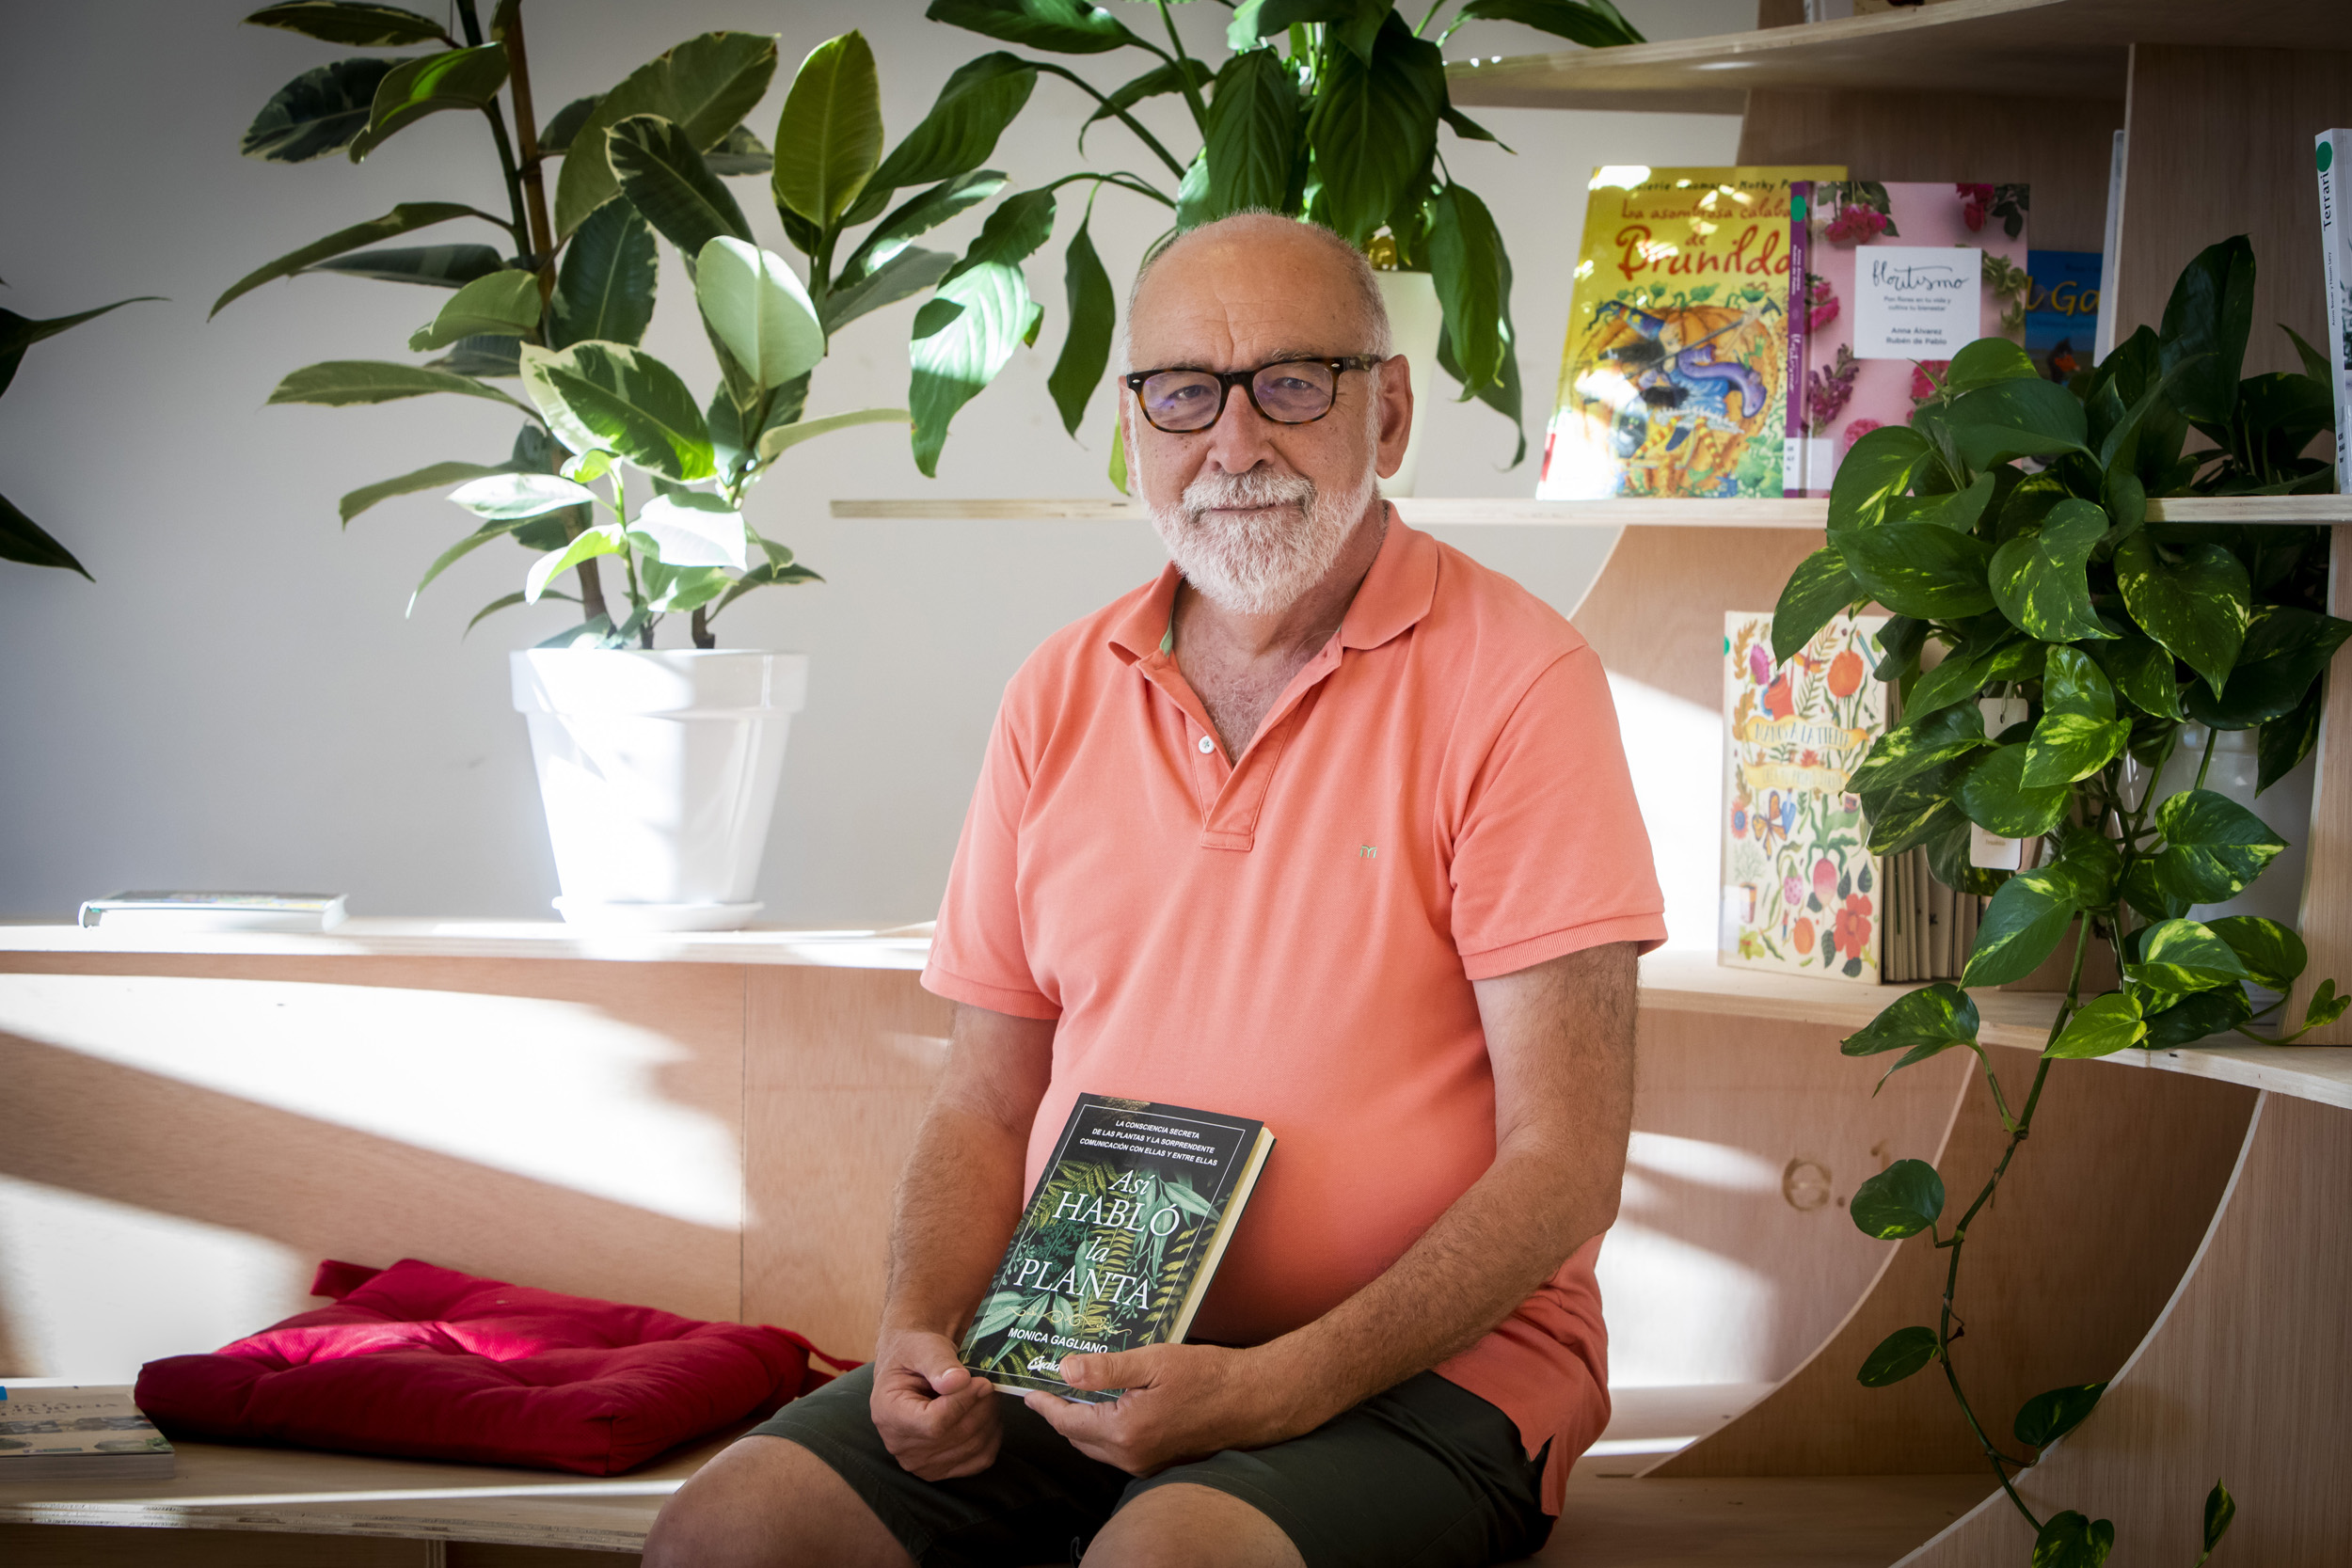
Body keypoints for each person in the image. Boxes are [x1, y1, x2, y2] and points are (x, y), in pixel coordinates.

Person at [644, 212, 1665, 1568]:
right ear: (1136, 425)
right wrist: (919, 1332)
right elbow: (983, 1099)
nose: (1233, 445)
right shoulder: (1059, 690)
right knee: (727, 1533)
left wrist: (1278, 1386)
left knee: (1167, 1561)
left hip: (1435, 1374)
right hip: (1080, 1342)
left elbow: (1565, 1163)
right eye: (1184, 393)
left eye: (1290, 385)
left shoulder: (1522, 684)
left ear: (1390, 412)